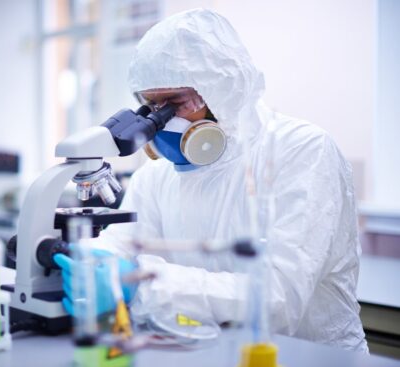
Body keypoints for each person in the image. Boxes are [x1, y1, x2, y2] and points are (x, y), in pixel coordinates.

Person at [54, 8, 368, 352]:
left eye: (175, 103)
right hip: (205, 352)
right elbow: (121, 247)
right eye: (152, 106)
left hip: (310, 356)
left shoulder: (302, 152)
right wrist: (87, 261)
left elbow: (279, 300)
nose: (163, 122)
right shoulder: (157, 175)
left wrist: (139, 284)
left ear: (224, 92)